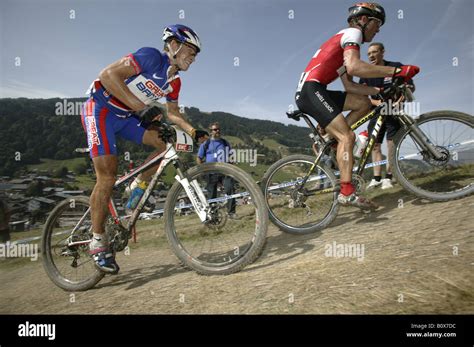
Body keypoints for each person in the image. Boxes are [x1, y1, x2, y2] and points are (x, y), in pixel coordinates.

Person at [81, 24, 209, 274]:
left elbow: (173, 113)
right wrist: (140, 108)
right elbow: (108, 76)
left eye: (195, 55)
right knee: (107, 175)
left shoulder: (175, 82)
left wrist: (193, 131)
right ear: (173, 45)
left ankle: (137, 185)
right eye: (190, 52)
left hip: (127, 117)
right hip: (100, 110)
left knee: (165, 144)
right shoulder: (150, 56)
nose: (192, 59)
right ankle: (97, 240)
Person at [295, 2, 419, 209]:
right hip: (311, 90)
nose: (378, 29)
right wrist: (397, 72)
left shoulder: (345, 44)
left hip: (316, 90)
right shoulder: (353, 33)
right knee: (348, 137)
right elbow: (355, 67)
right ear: (363, 20)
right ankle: (346, 193)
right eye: (377, 23)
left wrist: (378, 92)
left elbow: (350, 85)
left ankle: (331, 138)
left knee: (364, 104)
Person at [359, 42, 415, 190]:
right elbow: (361, 96)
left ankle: (388, 178)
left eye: (374, 52)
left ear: (382, 52)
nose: (371, 55)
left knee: (392, 145)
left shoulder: (395, 66)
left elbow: (409, 86)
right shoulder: (365, 73)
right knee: (375, 146)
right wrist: (376, 102)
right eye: (369, 53)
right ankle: (376, 178)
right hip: (375, 113)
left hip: (393, 112)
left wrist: (401, 99)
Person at [197, 122, 238, 219]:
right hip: (211, 173)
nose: (218, 131)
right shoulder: (206, 144)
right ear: (211, 132)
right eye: (215, 129)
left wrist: (232, 165)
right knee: (212, 195)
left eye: (219, 129)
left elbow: (231, 155)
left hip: (225, 171)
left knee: (230, 189)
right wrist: (202, 170)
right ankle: (214, 215)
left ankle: (231, 213)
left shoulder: (224, 142)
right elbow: (199, 158)